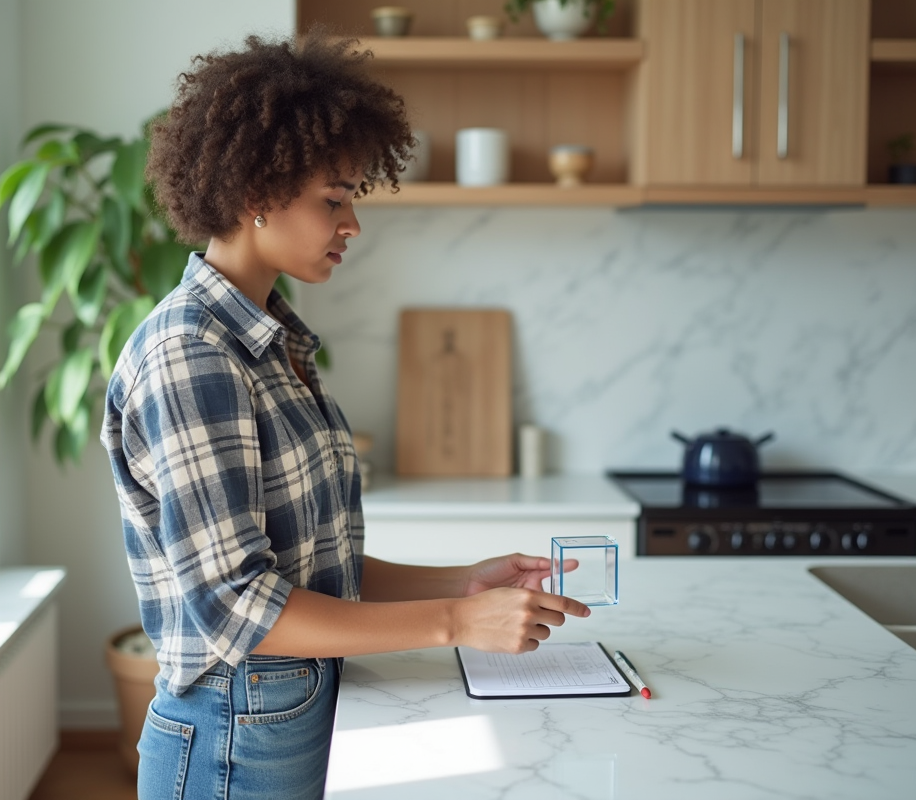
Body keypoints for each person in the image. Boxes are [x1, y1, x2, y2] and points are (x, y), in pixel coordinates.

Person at [100, 29, 589, 800]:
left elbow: (308, 566)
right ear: (257, 195)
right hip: (233, 734)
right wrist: (458, 627)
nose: (352, 226)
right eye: (334, 201)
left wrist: (464, 585)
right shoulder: (191, 355)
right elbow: (241, 606)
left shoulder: (271, 342)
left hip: (279, 717)